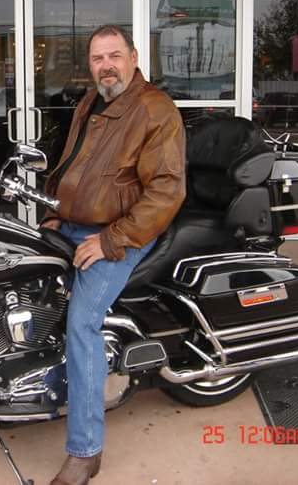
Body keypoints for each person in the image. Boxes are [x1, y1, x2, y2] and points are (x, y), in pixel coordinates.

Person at [41, 25, 186, 485]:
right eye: (98, 58)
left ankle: (85, 452)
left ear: (134, 57)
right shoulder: (91, 101)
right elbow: (70, 165)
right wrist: (54, 213)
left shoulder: (155, 109)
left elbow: (166, 191)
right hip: (77, 224)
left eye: (114, 56)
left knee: (81, 323)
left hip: (123, 232)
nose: (106, 66)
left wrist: (109, 240)